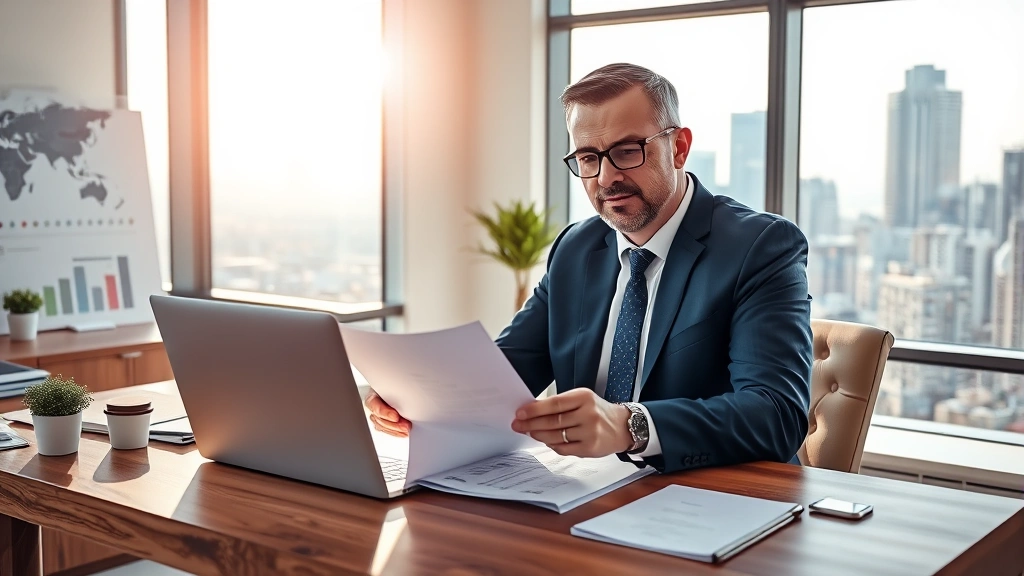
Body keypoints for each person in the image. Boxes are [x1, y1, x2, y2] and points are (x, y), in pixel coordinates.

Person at [366, 63, 812, 473]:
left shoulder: (760, 246)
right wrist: (422, 400)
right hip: (585, 495)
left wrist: (629, 424)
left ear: (678, 147)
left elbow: (776, 414)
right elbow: (504, 376)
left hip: (714, 500)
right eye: (588, 158)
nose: (605, 178)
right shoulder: (577, 247)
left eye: (626, 151)